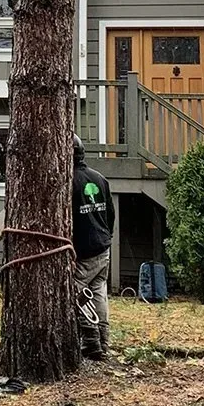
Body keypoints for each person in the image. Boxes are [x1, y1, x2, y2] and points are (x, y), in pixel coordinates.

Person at [72, 133, 115, 360]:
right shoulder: (99, 178)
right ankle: (104, 341)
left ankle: (90, 342)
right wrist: (107, 237)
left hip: (84, 252)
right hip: (103, 248)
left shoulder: (66, 182)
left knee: (73, 294)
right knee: (98, 293)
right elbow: (110, 213)